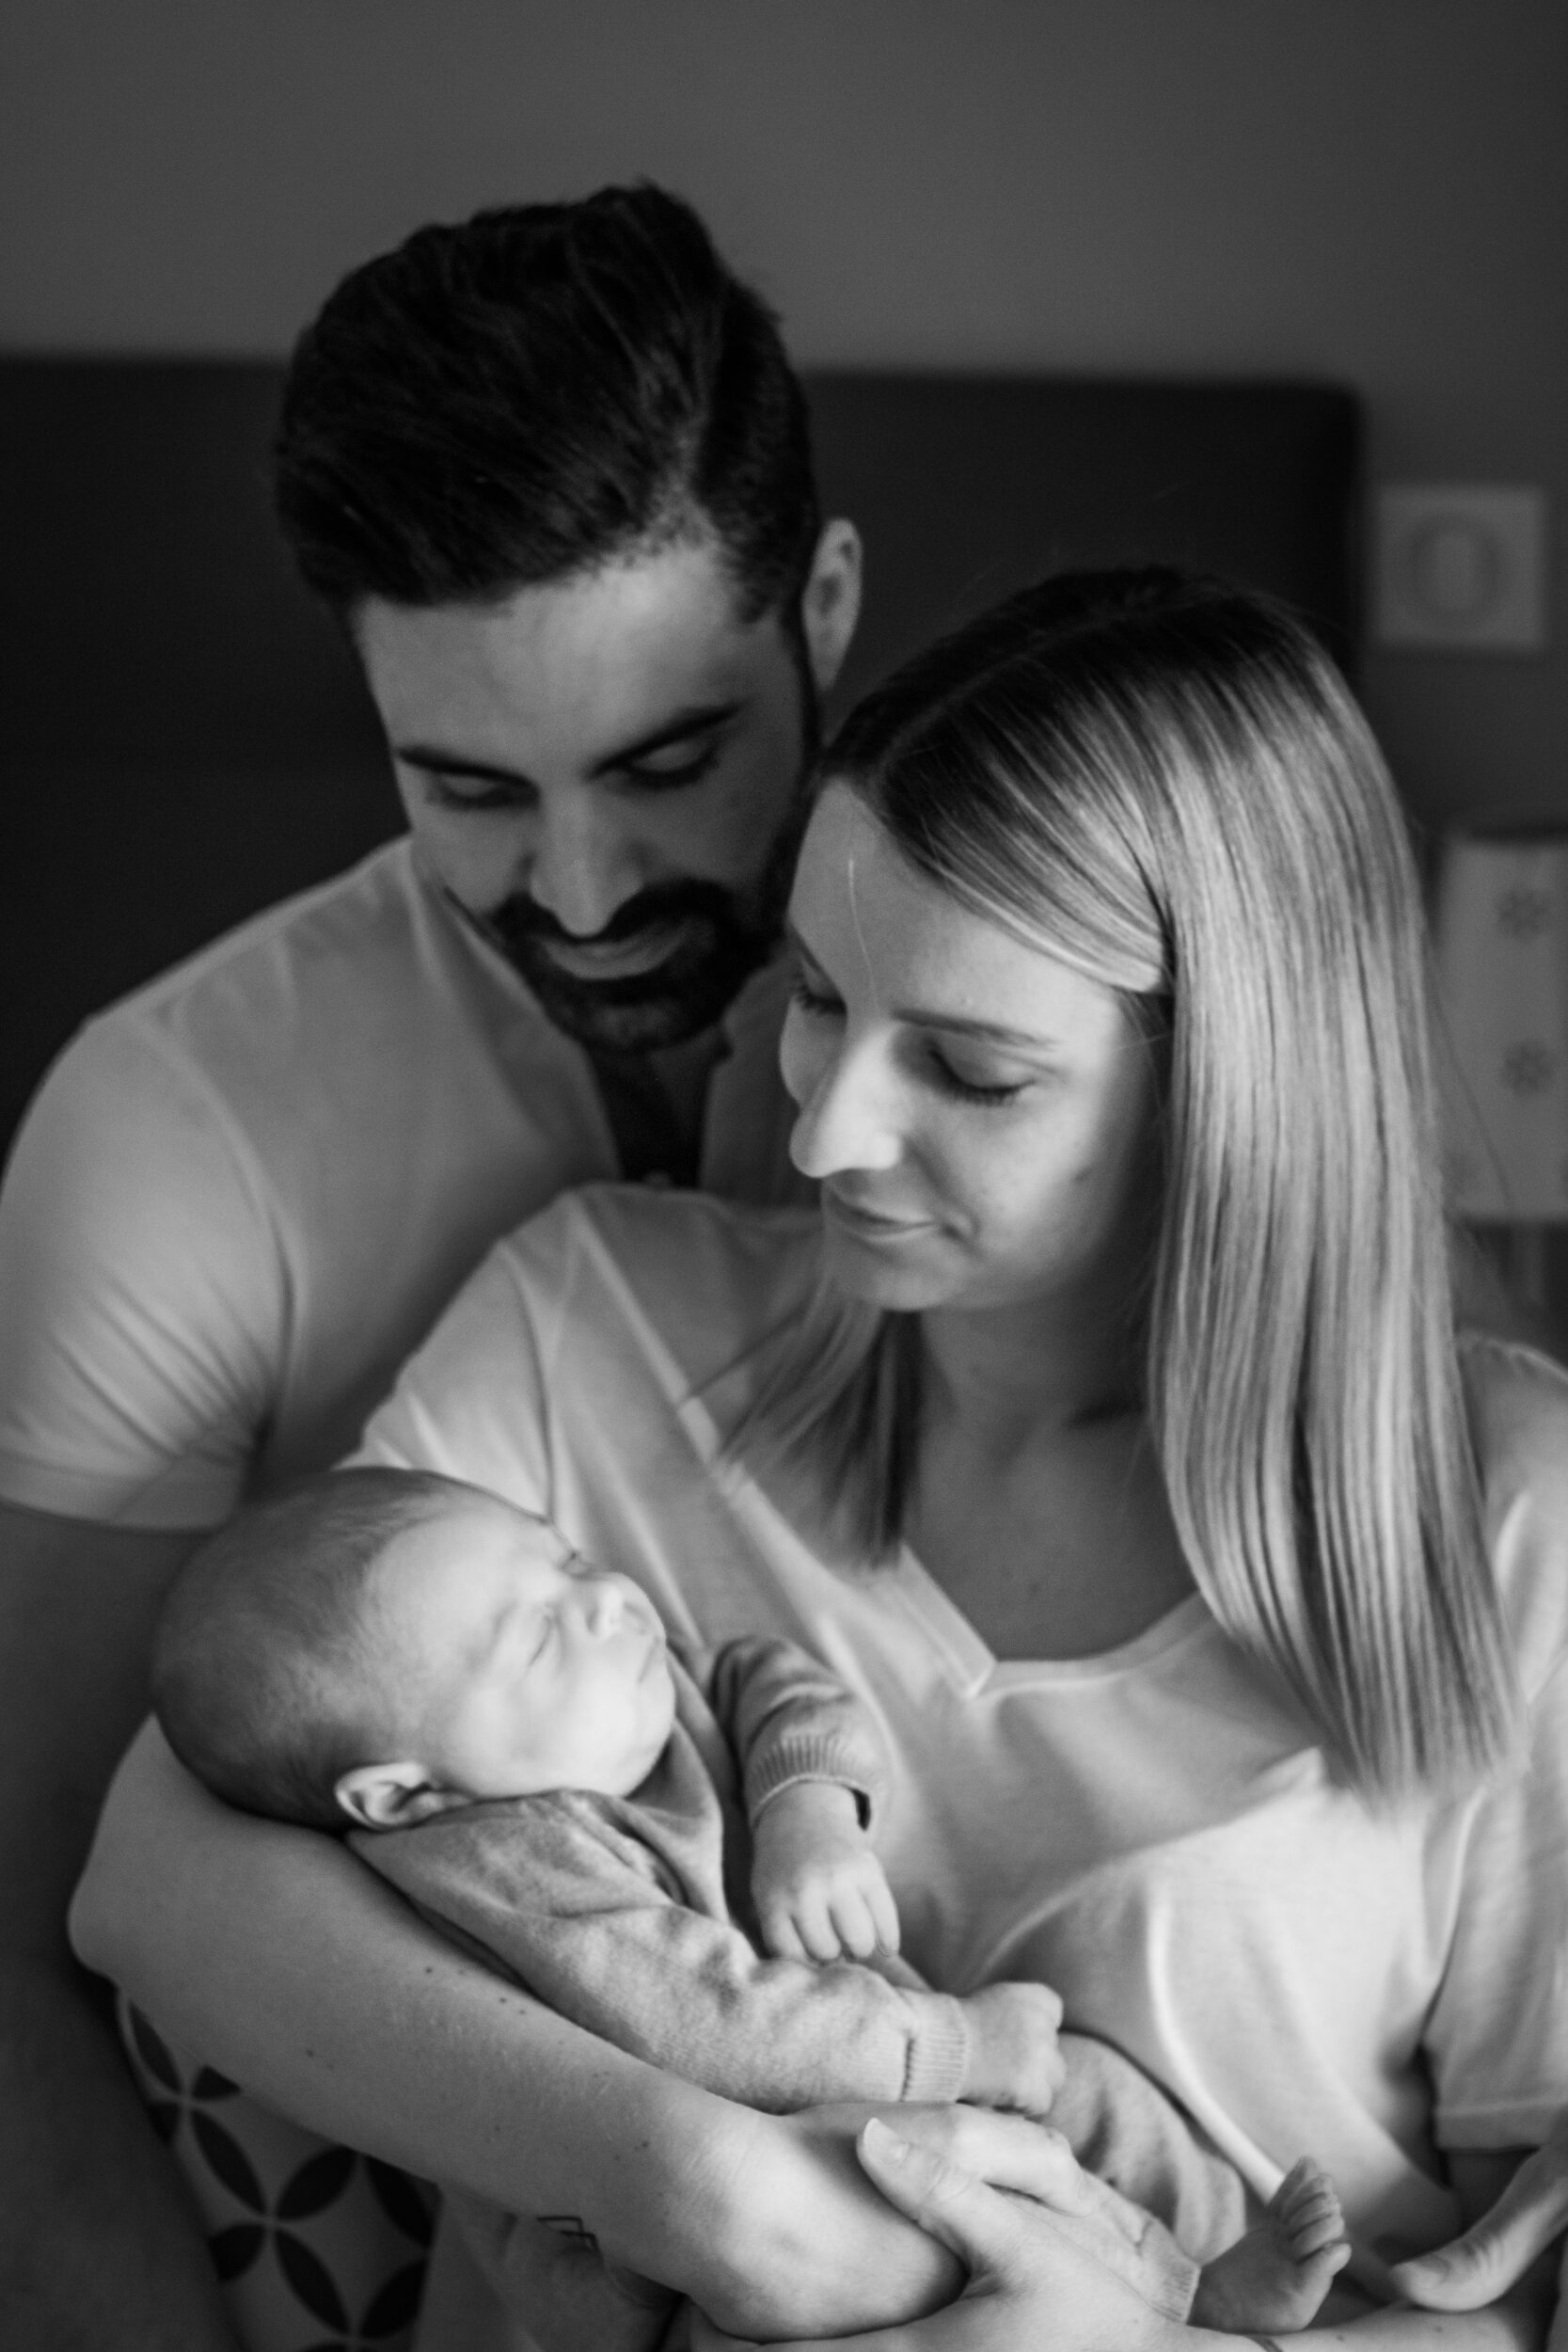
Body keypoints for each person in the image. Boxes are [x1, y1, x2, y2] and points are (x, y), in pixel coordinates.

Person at [76, 566, 1568, 2349]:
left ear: (1223, 1092)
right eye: (816, 996)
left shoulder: (1503, 1520)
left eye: (970, 1070)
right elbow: (152, 1875)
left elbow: (1509, 2294)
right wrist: (701, 2187)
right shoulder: (591, 1332)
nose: (826, 1131)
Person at [0, 183, 862, 2351]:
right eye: (465, 787)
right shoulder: (171, 1135)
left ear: (826, 608)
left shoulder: (1036, 1050)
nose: (577, 891)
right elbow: (20, 1929)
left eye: (667, 763)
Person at [150, 1465, 1351, 2343]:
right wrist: (960, 2043)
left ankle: (1204, 2279)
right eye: (538, 1637)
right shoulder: (509, 1860)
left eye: (563, 1555)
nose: (605, 1600)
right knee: (942, 2211)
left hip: (858, 2080)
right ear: (409, 1792)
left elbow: (764, 1675)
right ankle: (1172, 2299)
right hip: (686, 2231)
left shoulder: (631, 1693)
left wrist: (804, 1809)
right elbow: (711, 2028)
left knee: (1092, 2098)